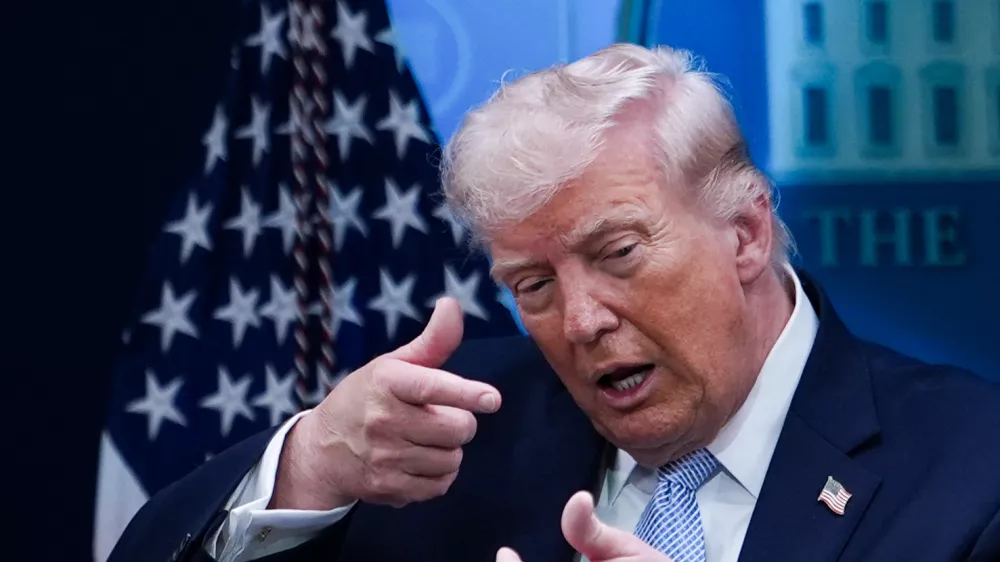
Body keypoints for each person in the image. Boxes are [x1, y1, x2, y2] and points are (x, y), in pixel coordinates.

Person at [108, 43, 1000, 562]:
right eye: (532, 286)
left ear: (745, 233)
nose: (579, 322)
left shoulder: (971, 472)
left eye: (618, 254)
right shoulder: (446, 439)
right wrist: (310, 463)